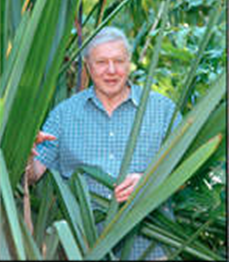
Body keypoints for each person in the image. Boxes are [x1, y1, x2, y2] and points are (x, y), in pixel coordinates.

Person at [27, 26, 182, 260]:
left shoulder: (163, 110)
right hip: (83, 251)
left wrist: (150, 181)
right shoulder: (64, 115)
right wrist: (26, 152)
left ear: (129, 63)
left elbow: (185, 171)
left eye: (119, 61)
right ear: (88, 66)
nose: (111, 70)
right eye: (101, 62)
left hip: (154, 251)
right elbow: (31, 176)